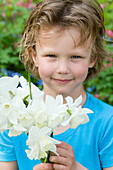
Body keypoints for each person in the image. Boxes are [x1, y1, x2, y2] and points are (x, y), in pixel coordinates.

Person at [0, 0, 113, 169]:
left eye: (75, 57)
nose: (62, 69)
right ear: (34, 56)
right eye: (51, 55)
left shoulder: (107, 122)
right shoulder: (15, 121)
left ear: (93, 58)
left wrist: (76, 167)